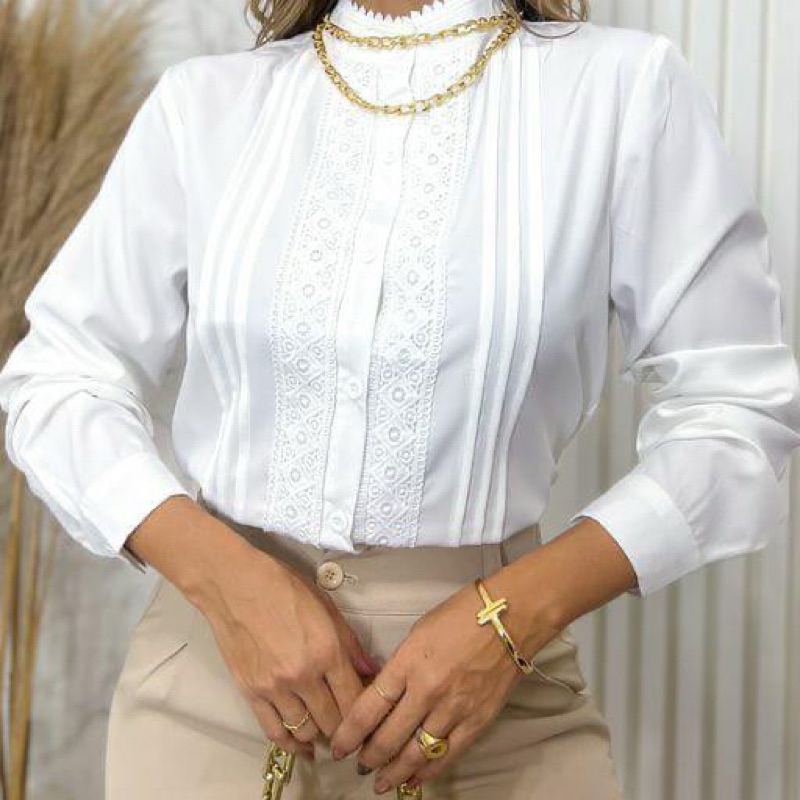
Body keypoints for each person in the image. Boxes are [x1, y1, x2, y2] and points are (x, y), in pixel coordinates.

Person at [2, 0, 800, 796]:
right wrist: (226, 583)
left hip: (497, 712)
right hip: (211, 699)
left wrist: (513, 615)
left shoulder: (622, 91)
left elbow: (737, 412)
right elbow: (59, 374)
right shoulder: (206, 104)